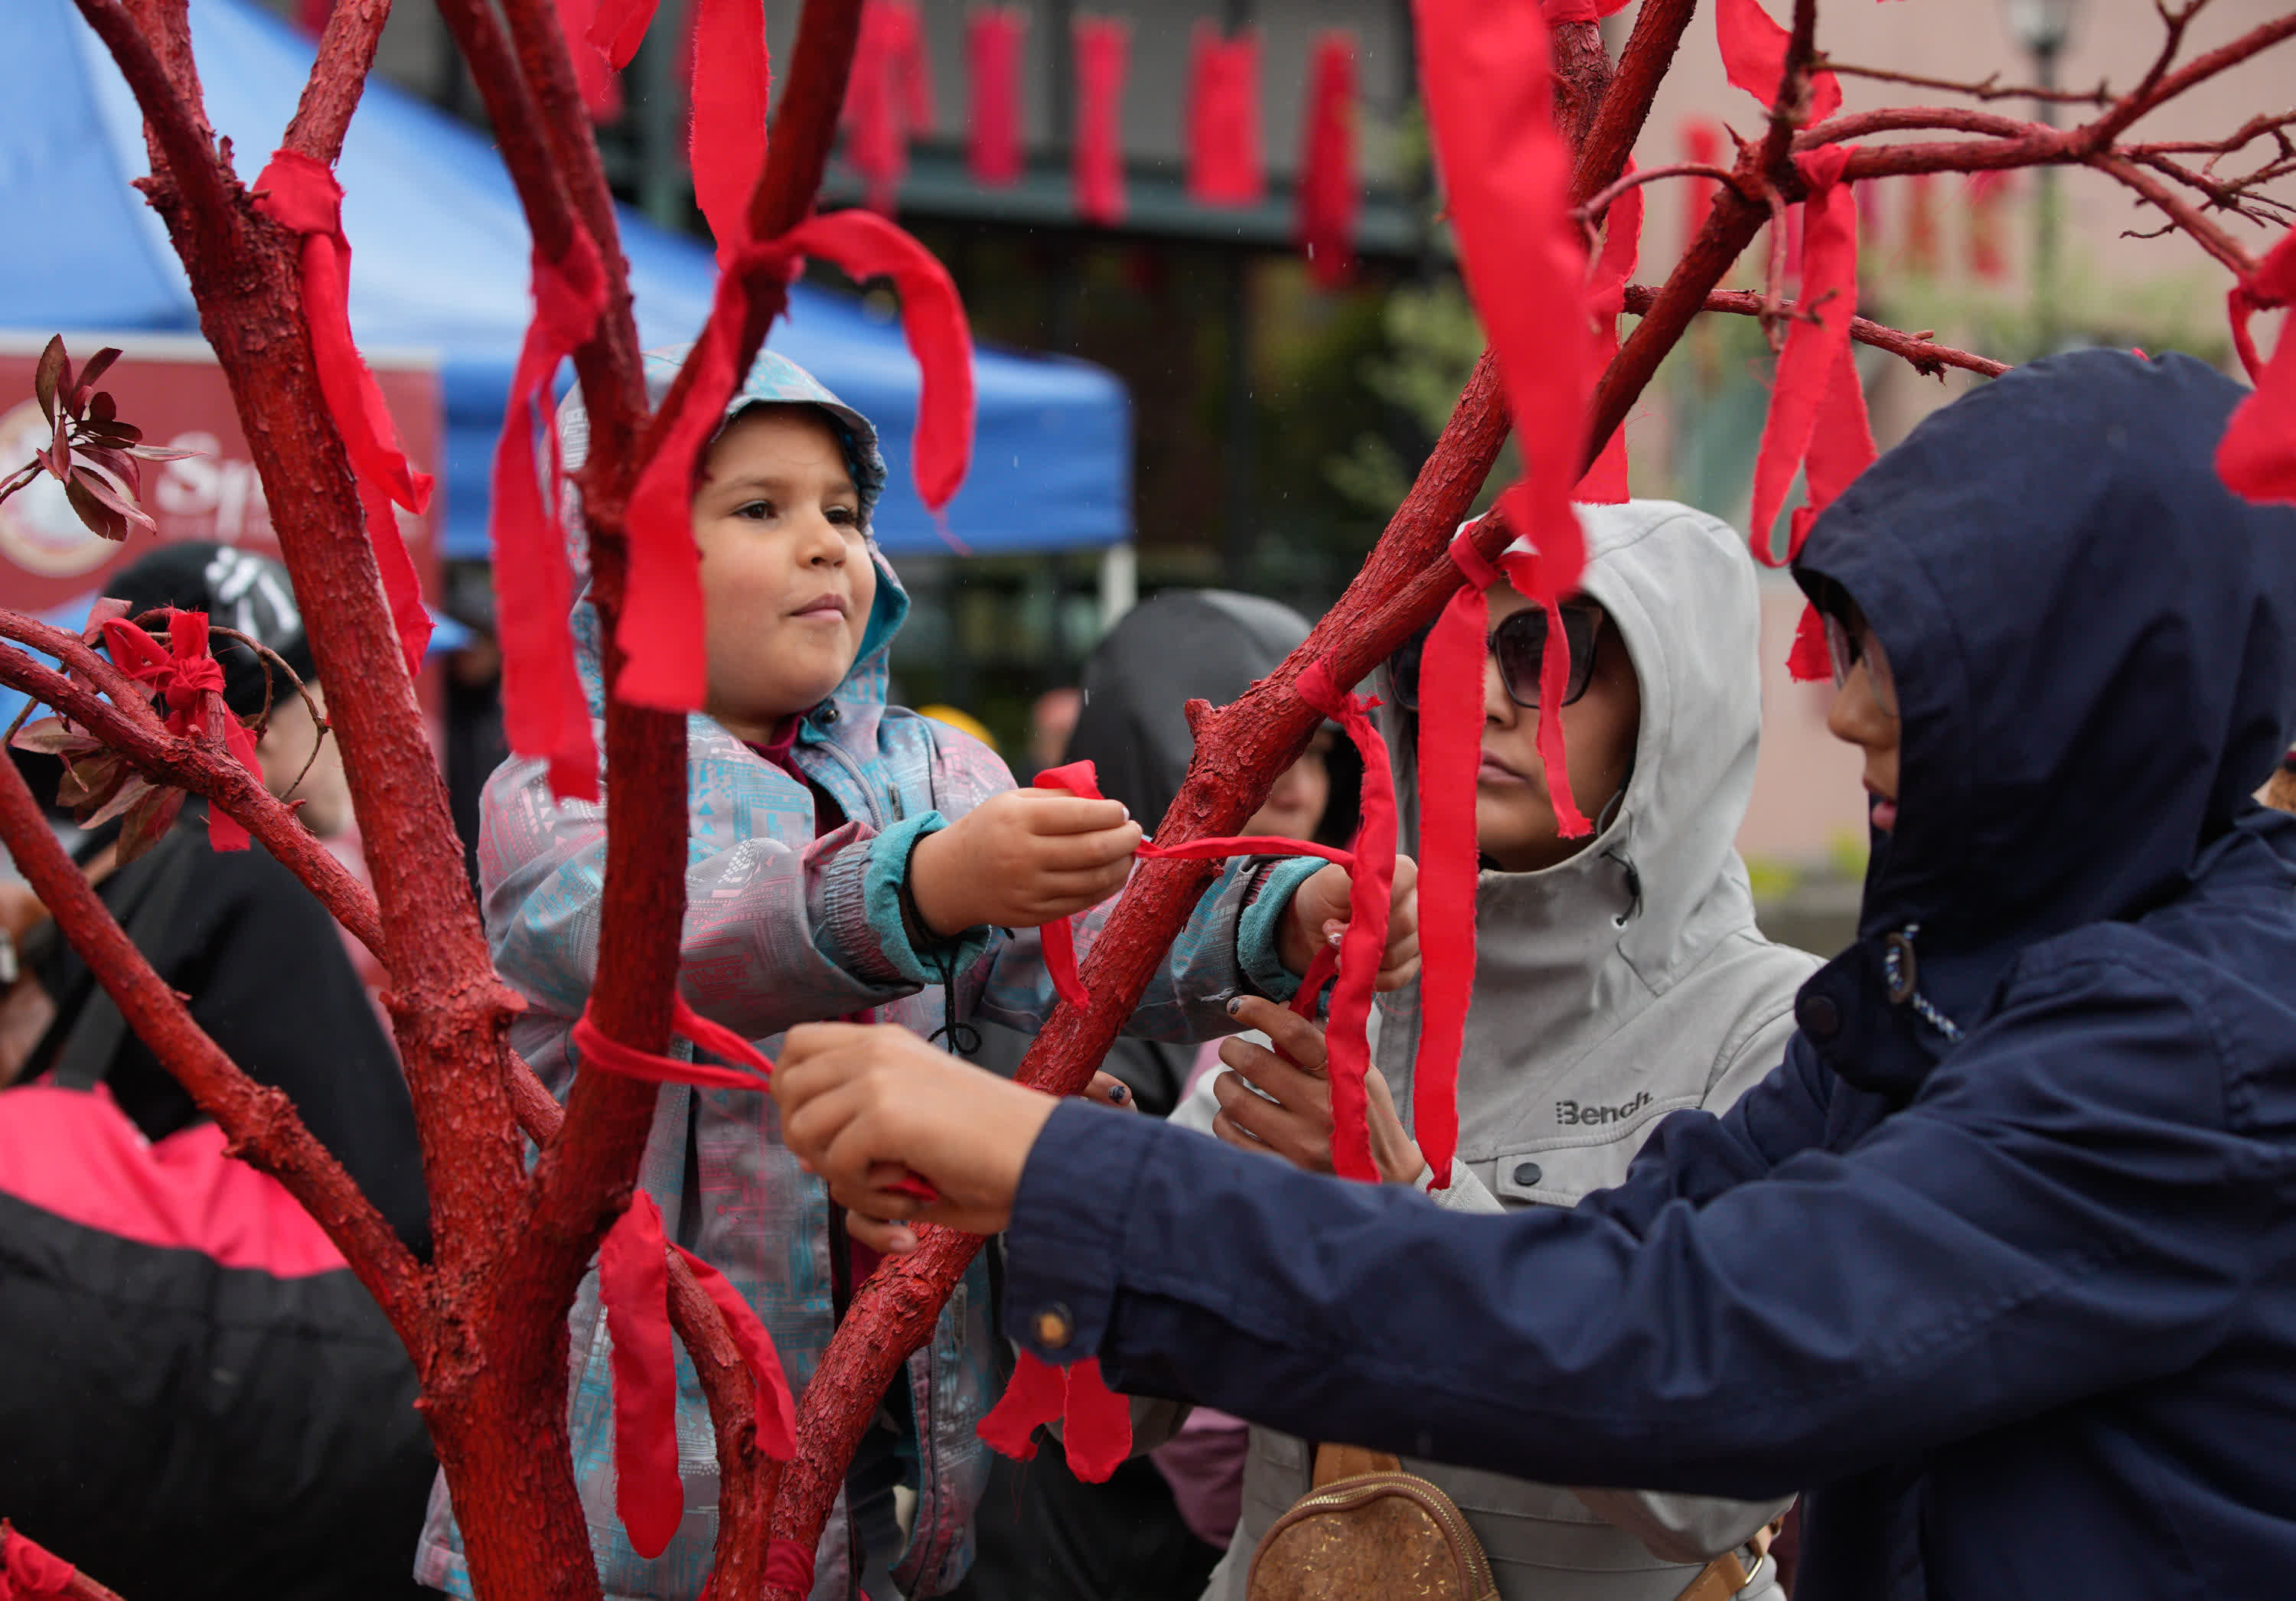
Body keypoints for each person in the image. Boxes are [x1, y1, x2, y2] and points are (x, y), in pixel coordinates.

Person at [770, 350, 2296, 1601]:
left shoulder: (2167, 1044)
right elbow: (1203, 1379)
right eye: (1846, 640)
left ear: (2088, 682)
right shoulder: (1928, 991)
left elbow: (1682, 1356)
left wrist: (1078, 1168)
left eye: (1557, 657)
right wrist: (1012, 1194)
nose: (1849, 711)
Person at [413, 350, 1415, 1601]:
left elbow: (1093, 954)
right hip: (616, 1501)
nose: (825, 545)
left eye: (842, 511)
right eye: (758, 509)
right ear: (619, 571)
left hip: (889, 1474)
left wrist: (1281, 915)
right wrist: (921, 887)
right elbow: (679, 938)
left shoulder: (944, 774)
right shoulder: (561, 791)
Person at [1172, 501, 1817, 1600]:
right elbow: (1130, 1401)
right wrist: (1062, 1191)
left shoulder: (1778, 1027)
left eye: (1547, 654)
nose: (1477, 698)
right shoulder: (1348, 975)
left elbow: (1710, 1478)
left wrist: (1406, 1200)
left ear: (1679, 709)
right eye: (1455, 650)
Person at [0, 540, 435, 1600]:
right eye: (322, 689)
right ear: (259, 720)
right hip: (265, 1471)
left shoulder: (103, 893)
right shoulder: (251, 887)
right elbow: (398, 1225)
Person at [956, 589, 1352, 1601]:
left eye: (1315, 757)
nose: (1299, 792)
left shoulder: (1346, 971)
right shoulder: (1041, 976)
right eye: (1261, 760)